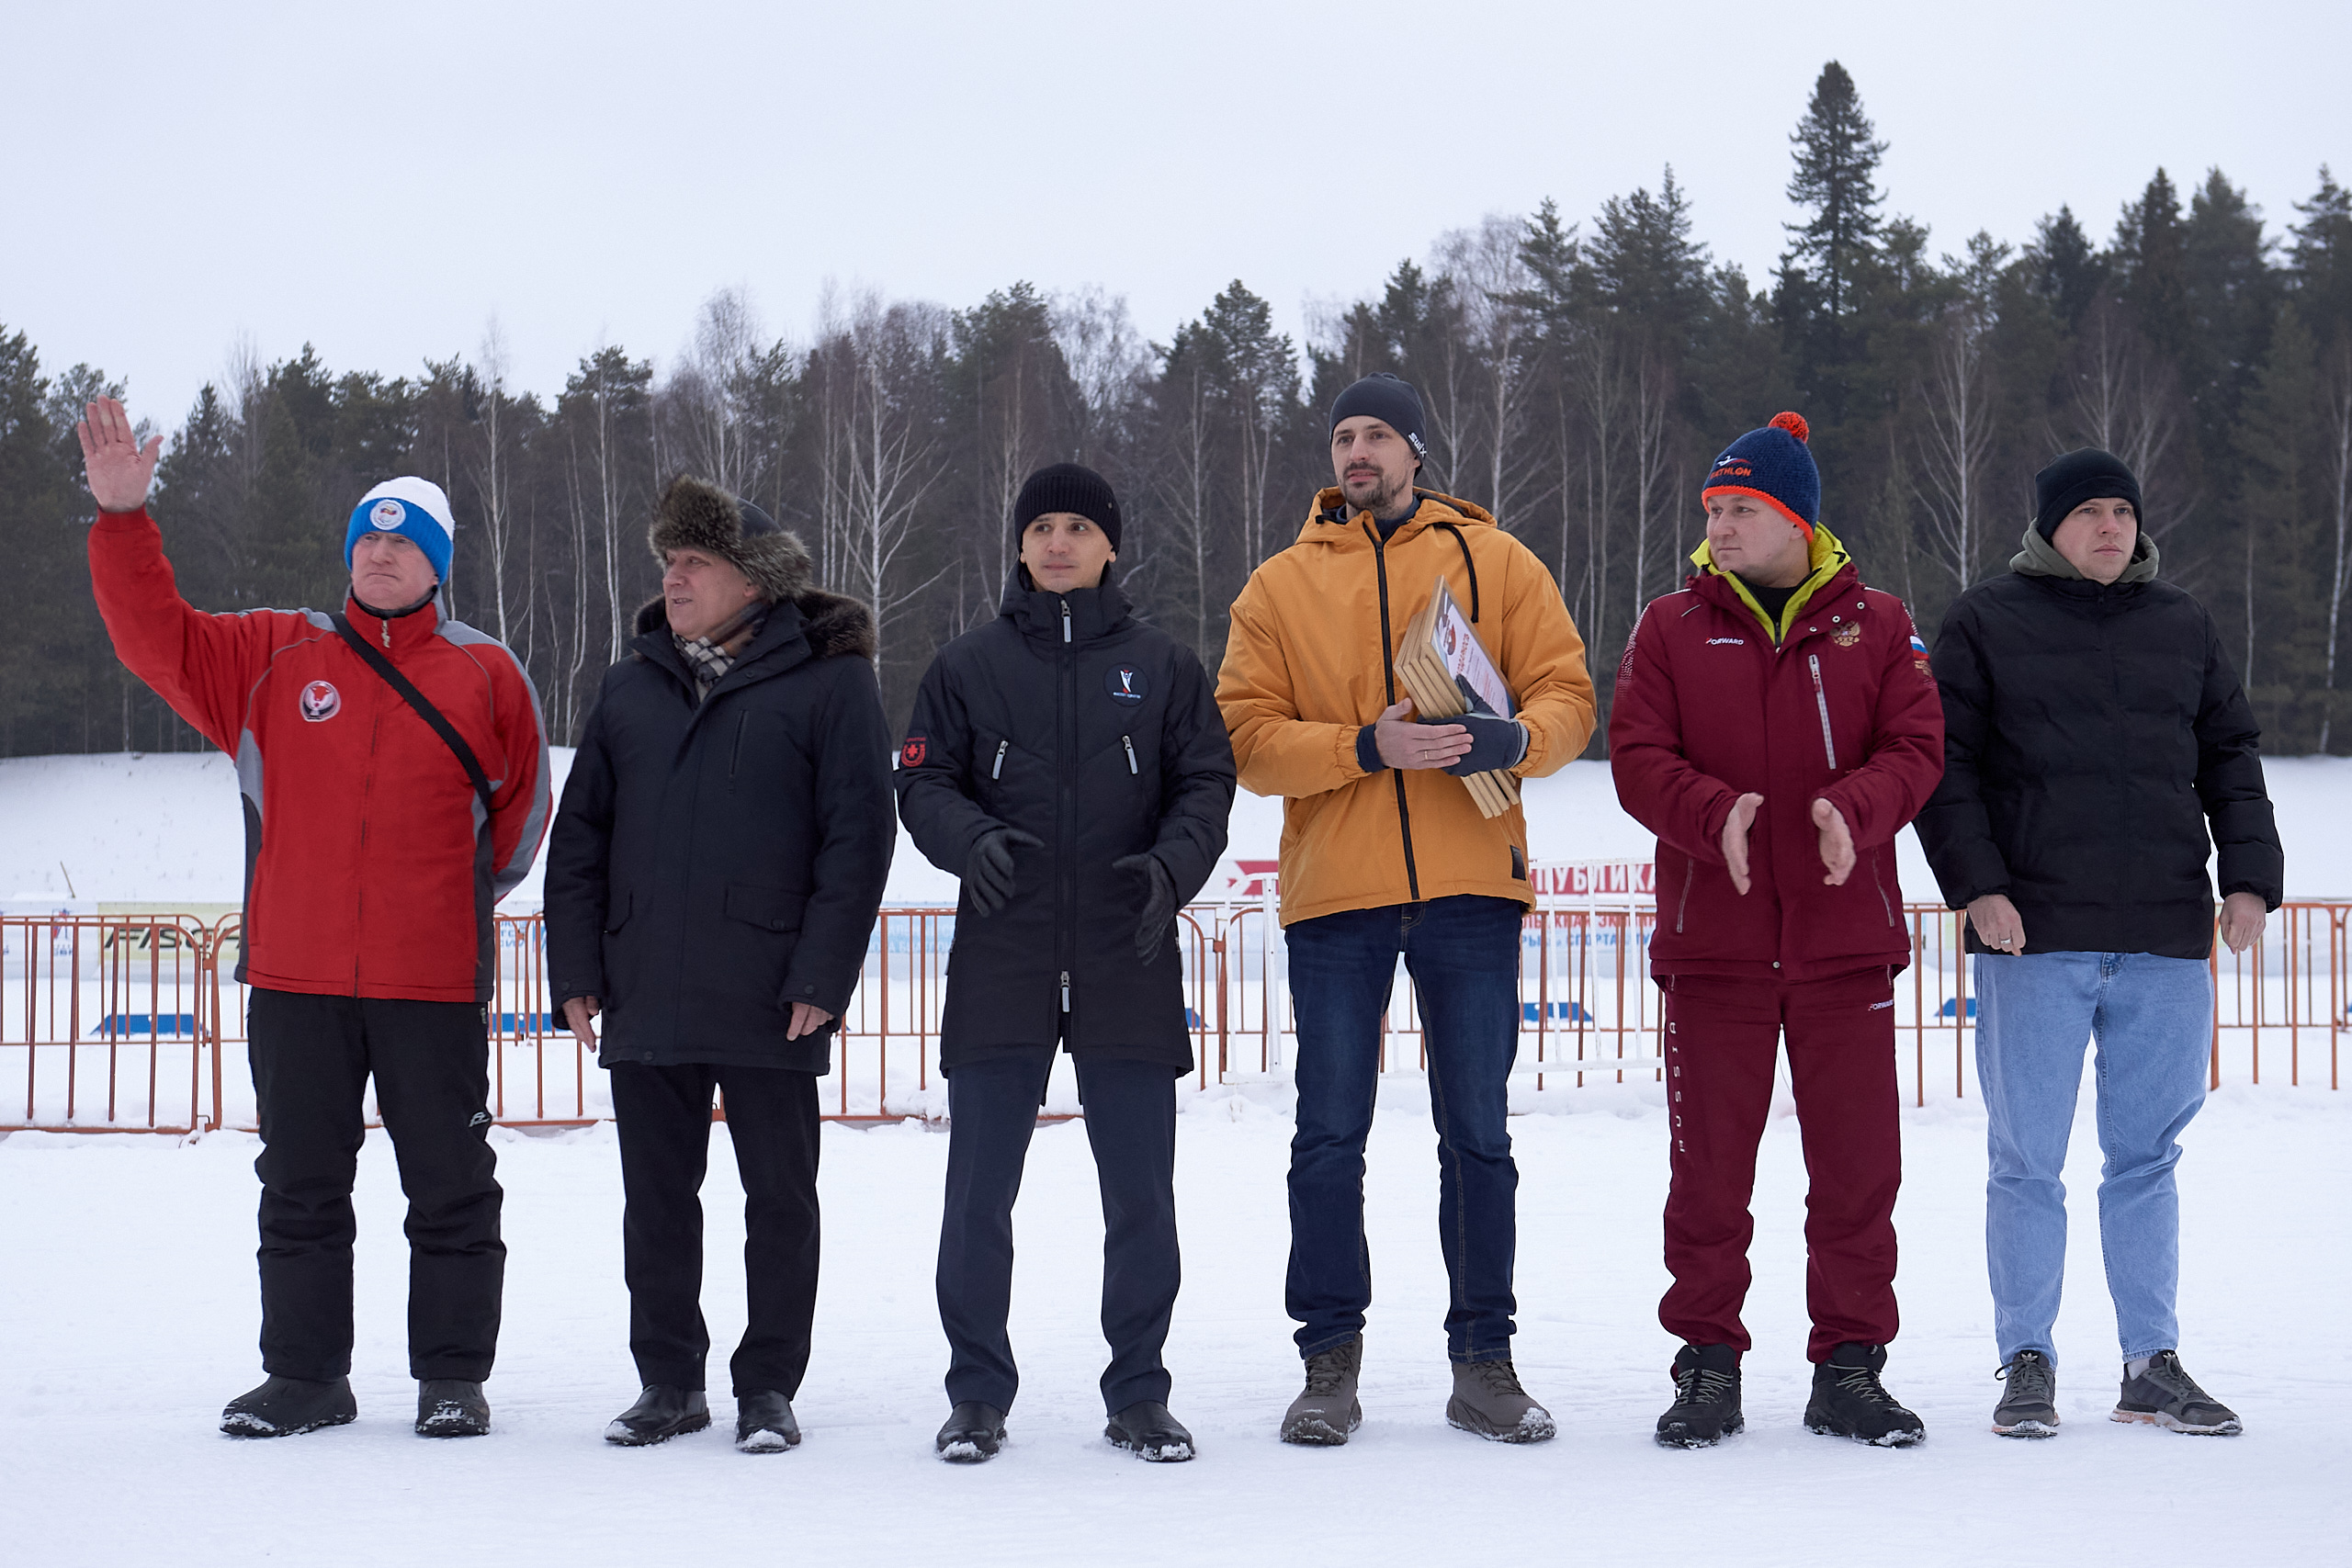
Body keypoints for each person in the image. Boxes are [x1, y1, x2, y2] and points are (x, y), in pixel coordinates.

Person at [77, 396, 549, 1440]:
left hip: (430, 984)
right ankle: (304, 1378)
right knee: (297, 1184)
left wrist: (440, 910)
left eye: (405, 540)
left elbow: (517, 831)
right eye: (368, 536)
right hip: (293, 979)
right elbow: (153, 637)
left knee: (452, 1188)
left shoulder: (488, 673)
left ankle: (451, 1379)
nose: (382, 553)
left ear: (439, 566)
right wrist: (122, 519)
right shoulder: (269, 656)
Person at [1217, 374, 1595, 1446]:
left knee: (1475, 1133)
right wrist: (1360, 746)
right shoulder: (1277, 586)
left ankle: (1484, 1363)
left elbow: (1567, 694)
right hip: (1335, 897)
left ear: (1416, 452)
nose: (1357, 451)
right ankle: (1326, 1362)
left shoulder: (1498, 561)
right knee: (1328, 1135)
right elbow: (1244, 737)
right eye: (1342, 436)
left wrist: (1516, 740)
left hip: (1472, 887)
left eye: (1377, 433)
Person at [1915, 447, 2281, 1439]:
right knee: (2025, 1158)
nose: (2110, 527)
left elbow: (2229, 758)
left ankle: (2148, 1362)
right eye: (2088, 513)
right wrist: (1979, 890)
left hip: (2163, 935)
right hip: (2034, 936)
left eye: (2122, 510)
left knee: (2146, 1158)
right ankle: (2025, 1357)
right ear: (2049, 527)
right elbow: (1944, 770)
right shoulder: (1985, 621)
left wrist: (2247, 877)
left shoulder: (2184, 624)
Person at [1610, 412, 1945, 1449]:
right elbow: (1633, 754)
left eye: (1742, 508)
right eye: (1712, 509)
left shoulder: (1880, 622)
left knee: (1857, 1171)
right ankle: (1706, 1362)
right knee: (1708, 1171)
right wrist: (1716, 817)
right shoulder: (1667, 625)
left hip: (1845, 945)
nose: (1720, 526)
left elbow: (1920, 744)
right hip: (1714, 947)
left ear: (1798, 518)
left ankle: (1849, 1365)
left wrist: (1857, 809)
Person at [544, 477, 895, 1453]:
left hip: (770, 992)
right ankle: (667, 1381)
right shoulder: (630, 683)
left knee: (778, 1201)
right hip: (646, 984)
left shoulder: (831, 682)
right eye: (670, 561)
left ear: (753, 584)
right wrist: (575, 967)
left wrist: (822, 979)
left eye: (695, 562)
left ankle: (768, 1388)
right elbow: (580, 841)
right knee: (655, 1204)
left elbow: (857, 840)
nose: (674, 576)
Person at [896, 462, 1235, 1464]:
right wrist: (967, 840)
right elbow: (922, 782)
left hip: (1126, 951)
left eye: (1077, 527)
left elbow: (1206, 784)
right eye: (1040, 525)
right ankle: (975, 1394)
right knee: (977, 1194)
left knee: (1139, 1196)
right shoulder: (966, 665)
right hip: (1002, 953)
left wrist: (1172, 870)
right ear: (1017, 543)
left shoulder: (1165, 666)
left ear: (1110, 545)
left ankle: (1137, 1392)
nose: (1057, 542)